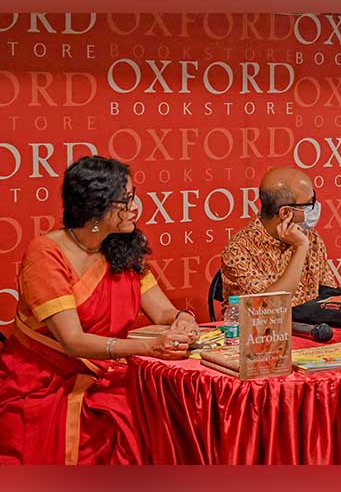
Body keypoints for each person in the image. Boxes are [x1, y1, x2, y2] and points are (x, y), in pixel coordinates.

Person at [0, 156, 201, 465]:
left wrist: (182, 319)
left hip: (105, 372)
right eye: (127, 200)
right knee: (130, 415)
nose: (135, 207)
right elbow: (73, 342)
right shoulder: (46, 254)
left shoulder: (121, 246)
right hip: (47, 383)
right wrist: (150, 347)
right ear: (97, 207)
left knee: (172, 402)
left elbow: (162, 312)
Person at [221, 167, 336, 309]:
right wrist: (300, 248)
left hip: (310, 328)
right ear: (285, 212)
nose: (315, 208)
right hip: (259, 329)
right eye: (309, 203)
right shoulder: (238, 250)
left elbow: (330, 297)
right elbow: (269, 306)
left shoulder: (311, 237)